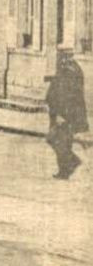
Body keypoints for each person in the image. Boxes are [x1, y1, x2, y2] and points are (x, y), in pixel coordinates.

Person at [46, 48, 87, 179]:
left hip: (64, 114)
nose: (59, 57)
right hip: (64, 113)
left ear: (66, 56)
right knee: (59, 140)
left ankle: (68, 165)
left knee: (58, 140)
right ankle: (67, 167)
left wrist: (61, 115)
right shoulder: (71, 68)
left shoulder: (69, 71)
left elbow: (68, 95)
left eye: (61, 55)